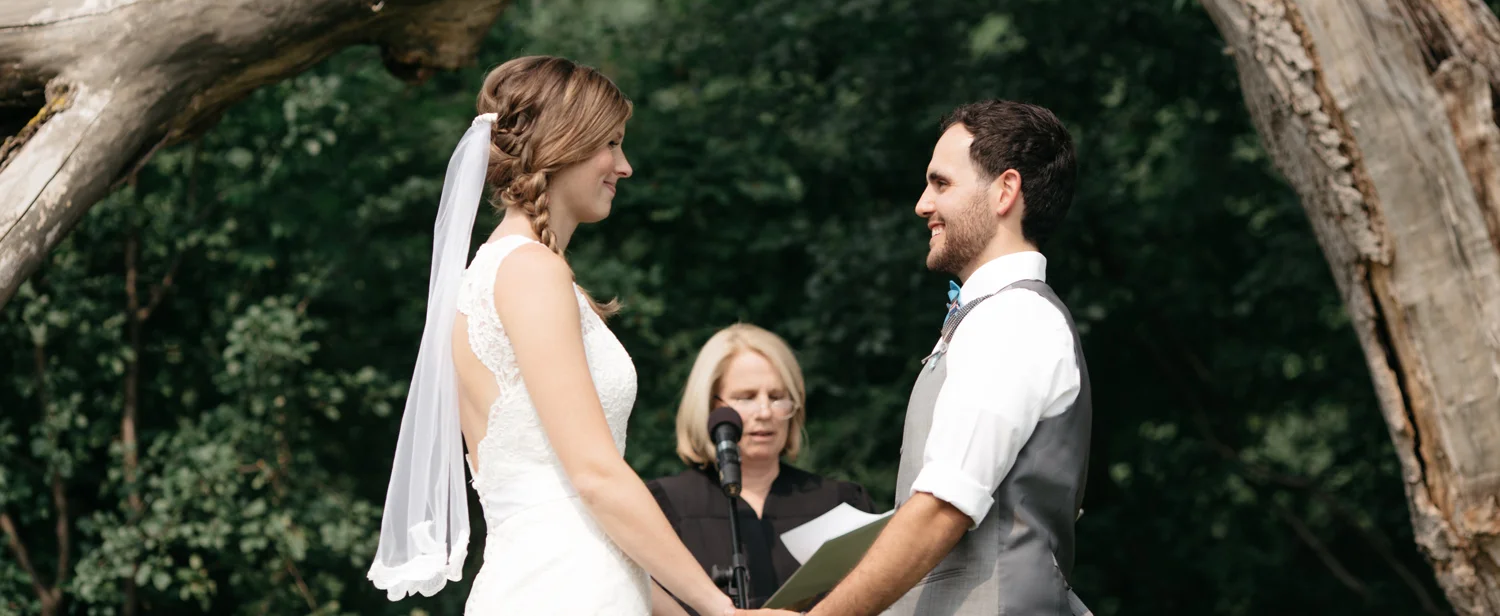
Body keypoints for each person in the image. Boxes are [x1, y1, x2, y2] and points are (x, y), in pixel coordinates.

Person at [367, 56, 745, 616]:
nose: (626, 166)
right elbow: (595, 476)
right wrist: (722, 610)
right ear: (562, 144)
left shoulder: (506, 270)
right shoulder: (529, 271)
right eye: (611, 145)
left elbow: (585, 513)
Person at [803, 100, 1091, 616]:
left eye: (941, 183)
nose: (921, 204)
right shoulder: (989, 318)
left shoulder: (1014, 319)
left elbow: (941, 509)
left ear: (1005, 191)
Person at [648, 325, 875, 610]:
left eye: (777, 396)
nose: (765, 412)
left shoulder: (841, 503)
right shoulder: (664, 507)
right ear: (708, 406)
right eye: (746, 397)